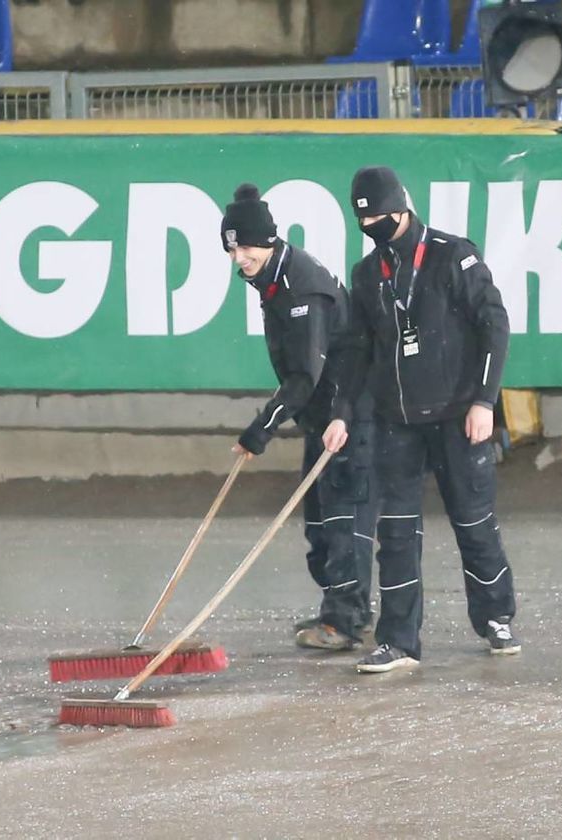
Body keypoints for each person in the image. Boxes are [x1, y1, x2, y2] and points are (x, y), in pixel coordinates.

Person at [323, 166, 520, 674]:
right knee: (397, 534)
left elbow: (494, 326)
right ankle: (398, 641)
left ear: (402, 209)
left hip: (458, 418)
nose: (372, 227)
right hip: (396, 423)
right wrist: (342, 413)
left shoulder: (453, 254)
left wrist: (484, 401)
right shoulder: (368, 276)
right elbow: (357, 354)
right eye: (363, 221)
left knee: (473, 524)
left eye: (380, 218)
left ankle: (496, 615)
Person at [221, 183, 377, 651]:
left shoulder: (300, 288)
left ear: (267, 241)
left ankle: (345, 621)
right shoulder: (274, 276)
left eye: (244, 248)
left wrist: (260, 431)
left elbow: (304, 377)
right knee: (318, 521)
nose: (238, 259)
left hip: (349, 414)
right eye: (231, 250)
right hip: (323, 413)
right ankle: (344, 608)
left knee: (341, 519)